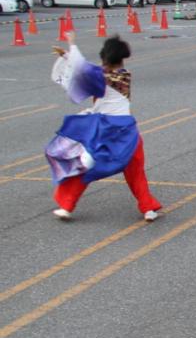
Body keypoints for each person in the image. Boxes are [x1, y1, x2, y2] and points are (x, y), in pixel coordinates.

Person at [45, 32, 163, 222]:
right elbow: (86, 69)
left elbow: (82, 69)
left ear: (104, 57)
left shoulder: (100, 76)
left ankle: (66, 206)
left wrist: (71, 44)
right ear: (121, 59)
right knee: (135, 170)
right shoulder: (124, 75)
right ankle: (148, 208)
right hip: (128, 131)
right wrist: (68, 55)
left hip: (105, 131)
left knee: (85, 167)